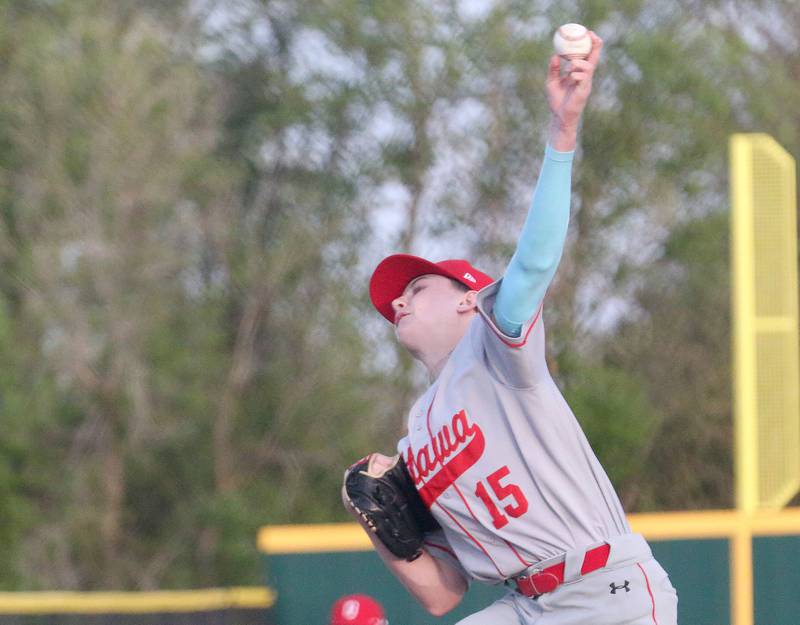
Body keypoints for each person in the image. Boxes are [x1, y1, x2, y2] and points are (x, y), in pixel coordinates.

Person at [345, 31, 679, 625]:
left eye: (418, 288)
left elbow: (533, 262)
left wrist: (563, 133)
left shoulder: (495, 348)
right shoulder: (415, 440)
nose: (398, 301)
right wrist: (376, 523)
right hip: (525, 605)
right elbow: (443, 594)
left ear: (470, 302)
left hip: (604, 589)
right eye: (394, 299)